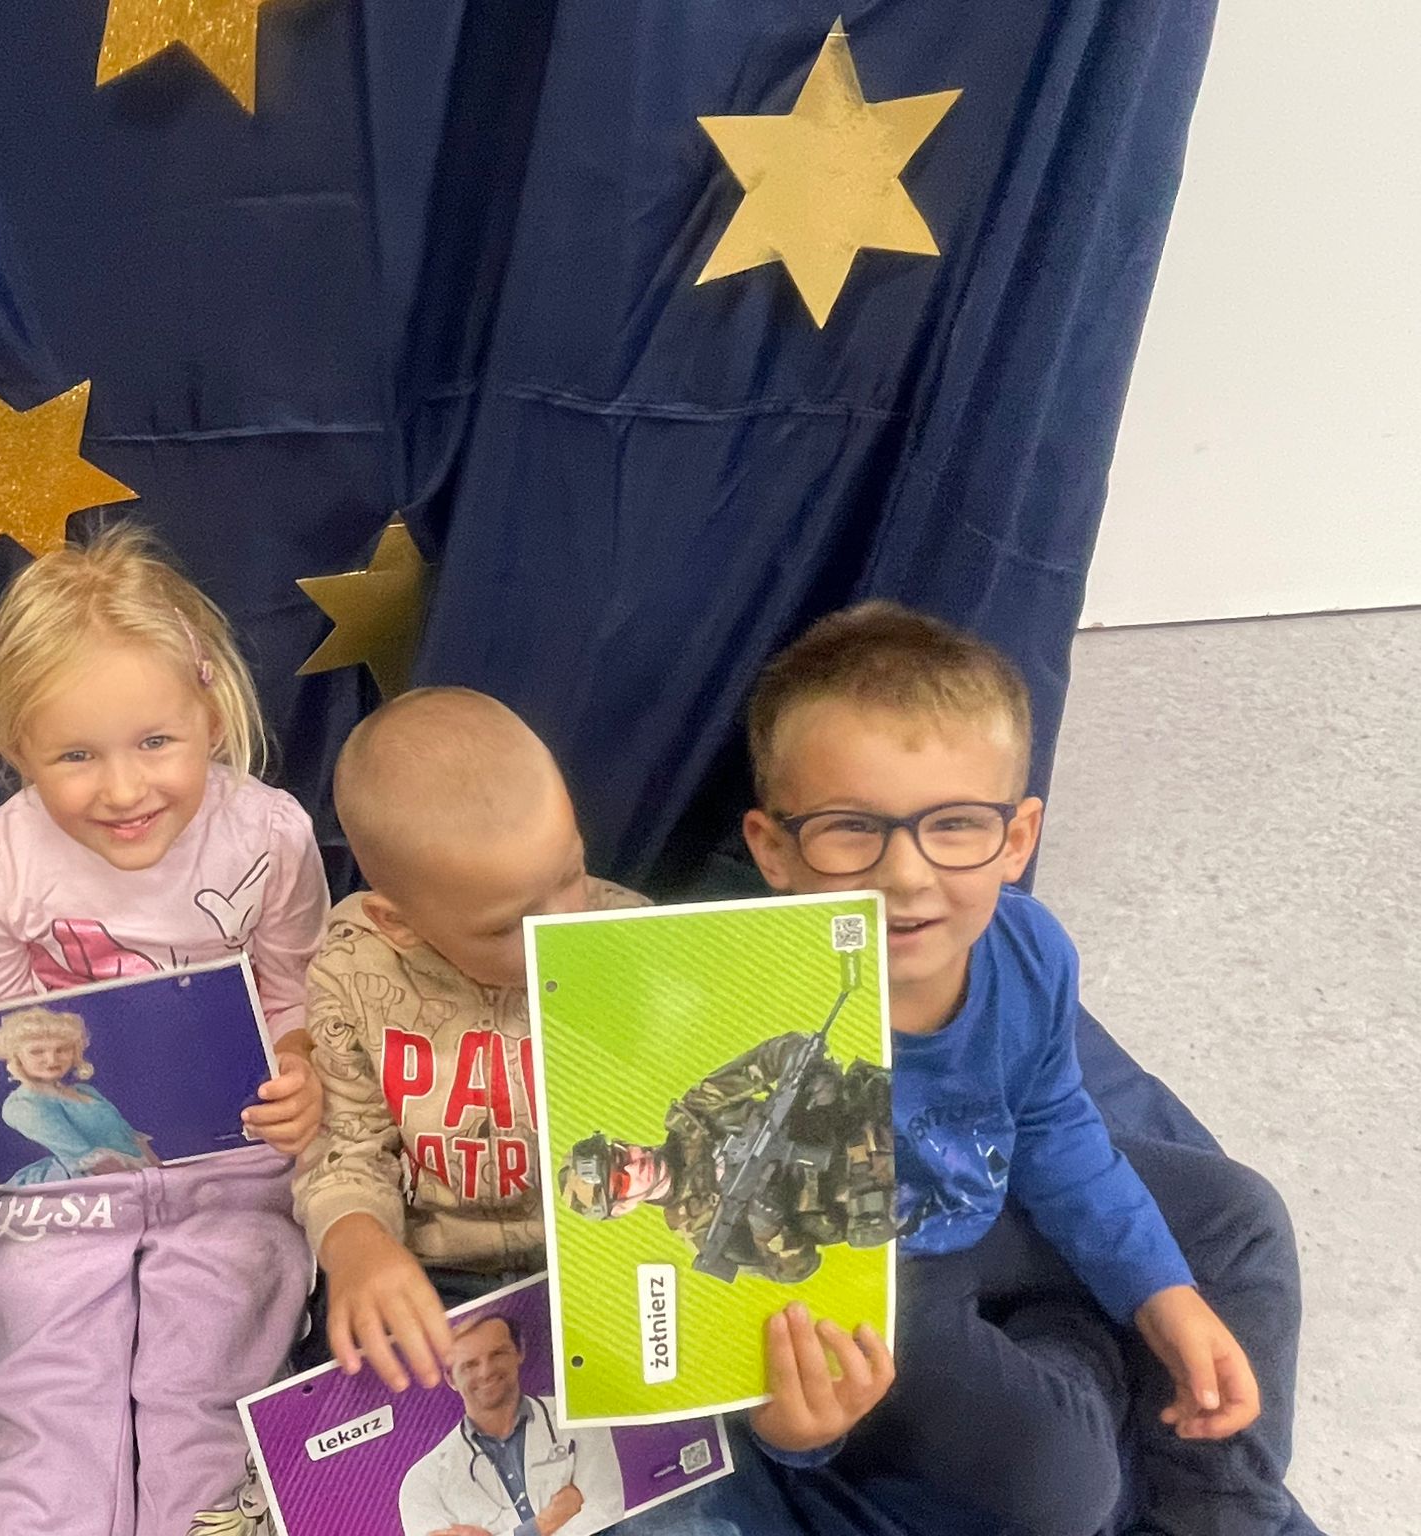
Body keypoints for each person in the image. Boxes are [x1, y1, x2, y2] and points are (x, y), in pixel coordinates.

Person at [733, 601, 1319, 1535]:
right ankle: (1078, 1342)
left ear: (1017, 839)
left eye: (954, 824)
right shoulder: (739, 1005)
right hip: (879, 1279)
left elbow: (1053, 1129)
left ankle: (1221, 1512)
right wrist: (794, 1434)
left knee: (1240, 1218)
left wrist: (1161, 1291)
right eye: (850, 829)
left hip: (992, 1199)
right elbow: (719, 1252)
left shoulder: (1031, 948)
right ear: (774, 849)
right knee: (1065, 1490)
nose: (906, 874)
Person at [0, 524, 329, 1536]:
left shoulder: (270, 832)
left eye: (155, 742)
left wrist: (299, 1073)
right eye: (74, 756)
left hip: (234, 1147)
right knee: (39, 1356)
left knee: (218, 1340)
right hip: (61, 1157)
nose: (122, 789)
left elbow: (295, 993)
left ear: (210, 716)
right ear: (15, 753)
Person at [295, 687, 744, 1535]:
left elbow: (690, 1135)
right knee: (355, 1453)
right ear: (398, 921)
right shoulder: (355, 970)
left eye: (569, 873)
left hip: (599, 1268)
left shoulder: (635, 939)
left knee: (671, 1503)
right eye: (510, 923)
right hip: (436, 1280)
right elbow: (346, 1148)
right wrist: (355, 1243)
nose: (561, 920)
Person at [556, 1030, 898, 1284]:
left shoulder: (696, 1113)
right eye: (621, 1179)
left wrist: (811, 1073)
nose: (633, 1163)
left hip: (862, 1118)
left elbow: (770, 1057)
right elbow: (795, 1270)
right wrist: (768, 1228)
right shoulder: (706, 1233)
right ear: (622, 1208)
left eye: (619, 1154)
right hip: (870, 1191)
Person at [398, 1313, 625, 1536]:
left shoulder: (578, 1417)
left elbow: (606, 1514)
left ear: (519, 1353)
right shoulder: (423, 1482)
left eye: (497, 1354)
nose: (486, 1371)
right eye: (469, 1365)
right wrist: (545, 1523)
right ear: (451, 1378)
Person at [0, 1004, 155, 1184]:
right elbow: (91, 1162)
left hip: (139, 1177)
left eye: (61, 1049)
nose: (52, 1059)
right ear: (17, 1057)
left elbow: (133, 1140)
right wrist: (144, 1183)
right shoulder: (24, 1104)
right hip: (89, 1186)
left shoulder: (85, 1091)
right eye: (37, 1052)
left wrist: (162, 1176)